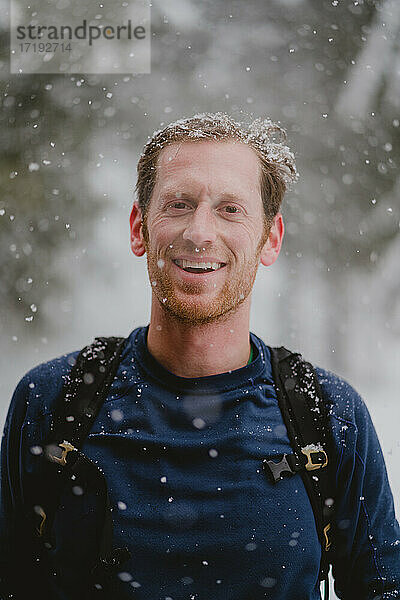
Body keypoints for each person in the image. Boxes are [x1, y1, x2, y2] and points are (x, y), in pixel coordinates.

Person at [1, 112, 399, 600]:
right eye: (178, 204)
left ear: (269, 239)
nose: (199, 232)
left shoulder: (329, 416)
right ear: (139, 227)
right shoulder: (54, 400)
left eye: (230, 209)